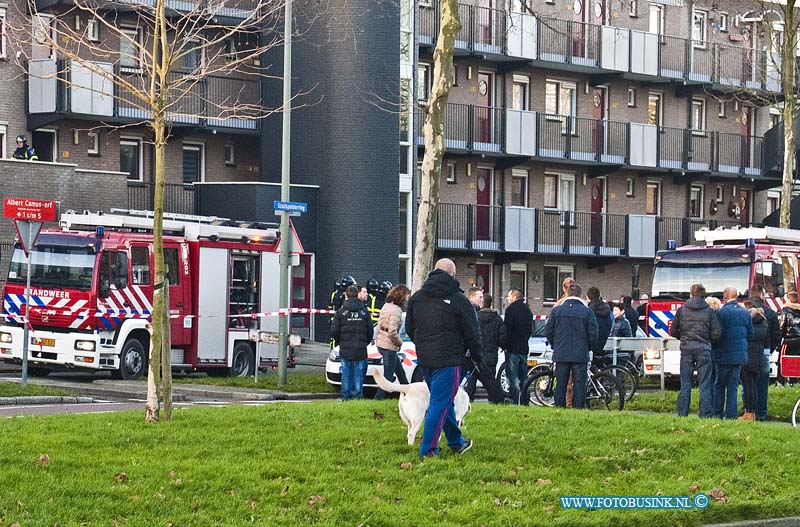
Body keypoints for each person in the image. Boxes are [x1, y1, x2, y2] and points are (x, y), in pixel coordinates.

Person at [406, 258, 479, 457]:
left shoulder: (417, 297)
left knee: (444, 400)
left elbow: (409, 328)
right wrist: (476, 355)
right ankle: (428, 450)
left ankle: (456, 442)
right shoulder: (458, 299)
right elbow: (472, 331)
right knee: (440, 403)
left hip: (425, 360)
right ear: (453, 275)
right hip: (448, 359)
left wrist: (422, 345)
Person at [670, 283, 720, 418]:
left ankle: (682, 414)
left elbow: (673, 330)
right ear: (704, 295)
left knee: (685, 384)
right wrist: (707, 341)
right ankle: (705, 414)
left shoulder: (682, 310)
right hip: (704, 350)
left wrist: (684, 338)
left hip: (686, 350)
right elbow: (716, 333)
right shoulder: (709, 311)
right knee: (704, 384)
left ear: (691, 294)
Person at [545, 283, 598, 409]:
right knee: (579, 385)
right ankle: (578, 409)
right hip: (580, 354)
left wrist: (555, 345)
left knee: (561, 384)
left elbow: (548, 331)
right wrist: (588, 347)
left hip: (561, 353)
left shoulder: (556, 311)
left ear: (567, 293)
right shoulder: (587, 312)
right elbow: (593, 334)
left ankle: (559, 408)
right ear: (580, 295)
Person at [714, 287, 752, 420]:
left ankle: (718, 414)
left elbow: (717, 334)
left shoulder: (721, 313)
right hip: (739, 356)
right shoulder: (745, 312)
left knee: (719, 386)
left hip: (723, 355)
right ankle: (731, 416)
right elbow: (750, 333)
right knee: (733, 387)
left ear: (724, 297)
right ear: (736, 296)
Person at [330, 285, 374, 401]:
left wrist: (340, 342)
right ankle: (358, 397)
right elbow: (370, 331)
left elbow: (334, 331)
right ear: (357, 294)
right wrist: (364, 343)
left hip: (345, 349)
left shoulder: (340, 312)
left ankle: (345, 397)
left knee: (346, 373)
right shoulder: (364, 312)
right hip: (360, 349)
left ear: (346, 295)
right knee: (359, 374)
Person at [464, 293, 507, 404]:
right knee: (490, 378)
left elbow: (470, 334)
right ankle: (493, 400)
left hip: (476, 354)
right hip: (491, 354)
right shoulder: (497, 319)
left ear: (482, 303)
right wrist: (502, 346)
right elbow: (502, 337)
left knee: (473, 377)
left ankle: (469, 398)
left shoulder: (475, 317)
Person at [748, 285, 780, 421]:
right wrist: (770, 349)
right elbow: (777, 335)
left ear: (751, 295)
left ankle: (749, 411)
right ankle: (761, 413)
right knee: (762, 383)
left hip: (748, 351)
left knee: (748, 383)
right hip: (765, 351)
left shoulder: (746, 312)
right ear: (762, 295)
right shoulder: (771, 313)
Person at [374, 284, 411, 400]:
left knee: (400, 373)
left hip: (381, 342)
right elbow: (392, 332)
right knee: (388, 376)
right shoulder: (396, 311)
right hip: (389, 345)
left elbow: (379, 324)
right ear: (401, 296)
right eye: (406, 296)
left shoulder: (386, 306)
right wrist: (400, 343)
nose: (407, 299)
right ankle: (378, 399)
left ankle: (408, 394)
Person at [740, 301, 769, 421]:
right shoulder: (764, 321)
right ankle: (754, 413)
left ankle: (749, 413)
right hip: (759, 356)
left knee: (748, 387)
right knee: (755, 387)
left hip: (747, 355)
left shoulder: (748, 322)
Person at [504, 288, 533, 404]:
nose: (507, 299)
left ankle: (514, 400)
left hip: (512, 349)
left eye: (509, 297)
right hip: (524, 348)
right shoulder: (528, 310)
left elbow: (507, 329)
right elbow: (530, 329)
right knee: (524, 377)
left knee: (513, 377)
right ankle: (525, 400)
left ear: (514, 297)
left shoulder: (510, 310)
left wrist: (505, 344)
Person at [705, 296, 722, 409]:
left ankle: (708, 406)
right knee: (718, 382)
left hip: (707, 351)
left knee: (708, 381)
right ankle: (717, 408)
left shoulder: (705, 317)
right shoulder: (720, 317)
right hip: (719, 352)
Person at [780, 292, 800, 382]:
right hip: (799, 339)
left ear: (788, 299)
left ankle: (788, 380)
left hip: (789, 339)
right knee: (797, 359)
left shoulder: (785, 310)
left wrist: (780, 337)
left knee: (786, 360)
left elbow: (783, 325)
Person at [587, 287, 612, 356]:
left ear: (588, 297)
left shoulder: (588, 310)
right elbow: (610, 323)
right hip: (603, 340)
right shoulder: (606, 309)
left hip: (591, 343)